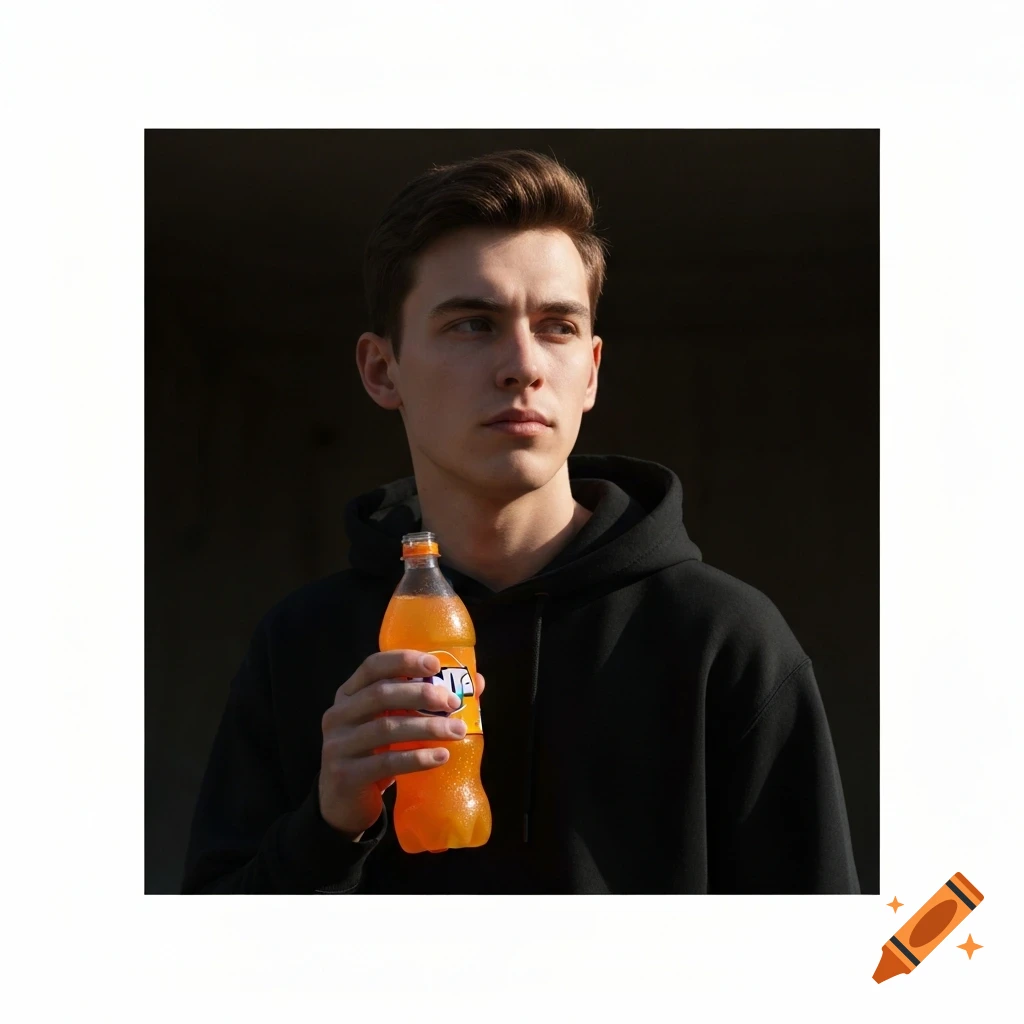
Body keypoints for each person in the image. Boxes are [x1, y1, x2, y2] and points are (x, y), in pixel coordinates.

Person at [181, 149, 861, 894]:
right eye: (473, 324)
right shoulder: (302, 644)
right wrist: (327, 825)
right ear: (383, 371)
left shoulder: (722, 639)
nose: (522, 365)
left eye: (558, 327)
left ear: (592, 370)